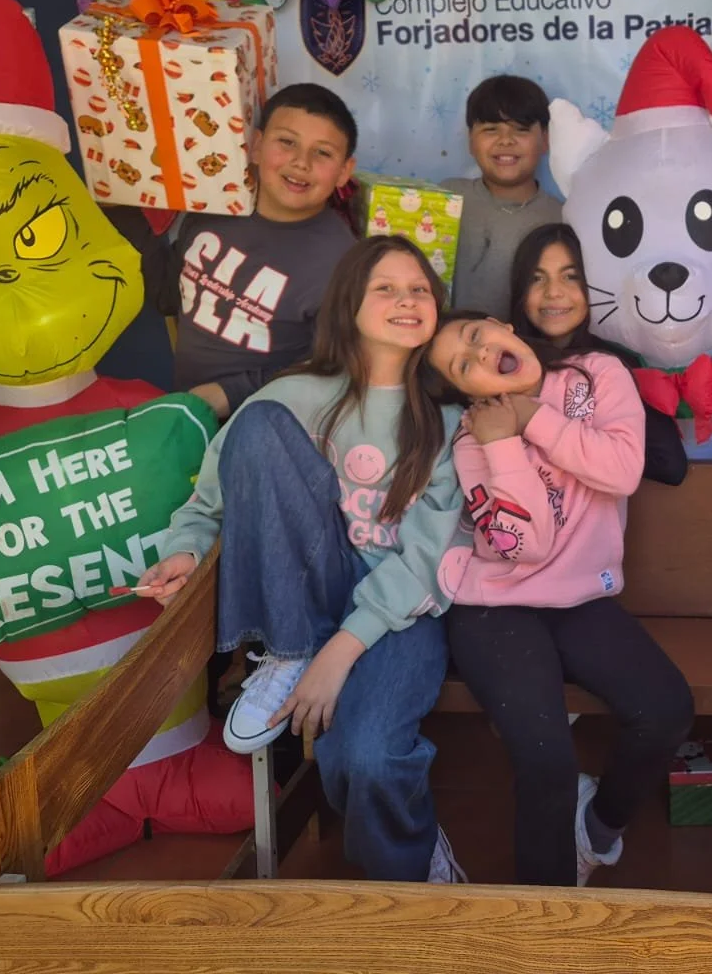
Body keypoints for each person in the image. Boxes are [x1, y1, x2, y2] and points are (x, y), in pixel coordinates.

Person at [134, 236, 471, 884]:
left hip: (399, 613)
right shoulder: (292, 398)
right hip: (307, 598)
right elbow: (210, 504)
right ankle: (286, 654)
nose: (407, 299)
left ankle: (411, 872)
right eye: (386, 288)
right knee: (259, 428)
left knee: (365, 757)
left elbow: (432, 557)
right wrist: (184, 553)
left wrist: (343, 650)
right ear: (348, 306)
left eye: (420, 289)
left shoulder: (450, 421)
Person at [425, 312, 695, 887]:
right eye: (461, 366)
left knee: (667, 709)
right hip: (493, 608)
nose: (478, 355)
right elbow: (525, 545)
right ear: (464, 392)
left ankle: (597, 830)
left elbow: (624, 471)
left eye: (477, 336)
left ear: (502, 324)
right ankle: (543, 933)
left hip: (580, 599)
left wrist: (534, 419)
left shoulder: (594, 375)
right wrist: (502, 443)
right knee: (547, 758)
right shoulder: (474, 438)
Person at [149, 82, 360, 421]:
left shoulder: (343, 264)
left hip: (266, 430)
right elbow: (167, 296)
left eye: (322, 152)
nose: (300, 162)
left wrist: (231, 393)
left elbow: (335, 373)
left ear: (343, 172)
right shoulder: (214, 208)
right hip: (184, 419)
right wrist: (122, 205)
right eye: (287, 142)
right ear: (258, 146)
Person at [510, 222, 687, 485]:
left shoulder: (613, 364)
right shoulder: (500, 360)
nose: (553, 292)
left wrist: (583, 454)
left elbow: (670, 464)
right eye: (537, 279)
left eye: (571, 276)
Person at [440, 75, 562, 319]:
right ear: (470, 141)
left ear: (545, 140)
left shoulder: (560, 218)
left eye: (521, 130)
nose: (506, 140)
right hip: (447, 348)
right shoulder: (446, 198)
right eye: (491, 129)